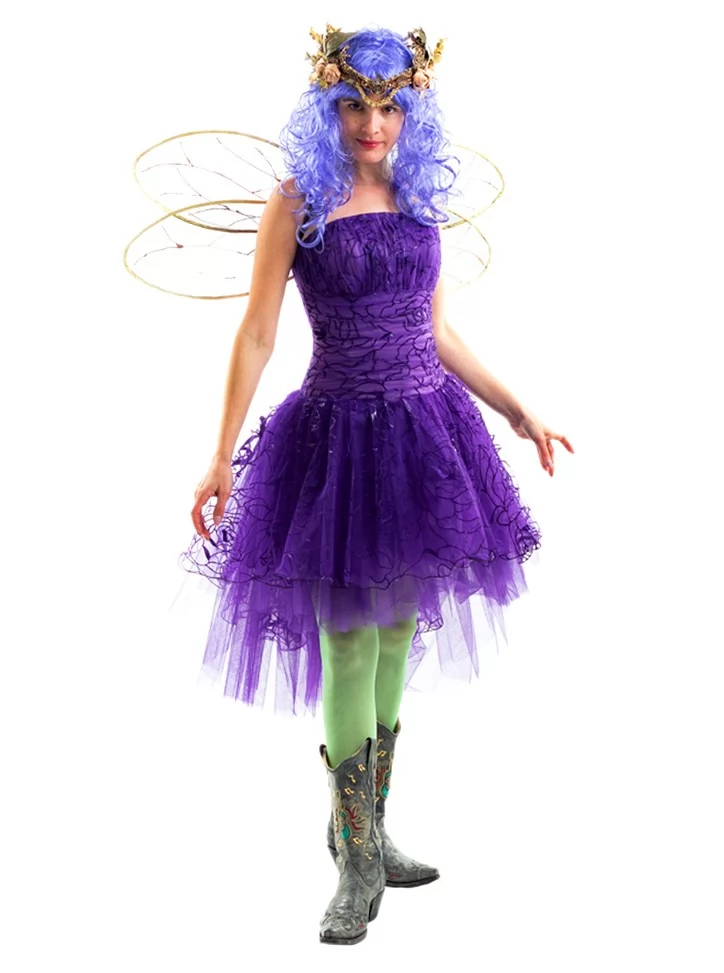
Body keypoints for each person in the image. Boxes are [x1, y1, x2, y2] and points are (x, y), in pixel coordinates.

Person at [180, 24, 574, 945]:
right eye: (355, 104)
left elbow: (437, 330)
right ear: (326, 105)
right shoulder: (299, 199)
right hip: (338, 441)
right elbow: (257, 332)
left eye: (391, 106)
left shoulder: (418, 195)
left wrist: (516, 409)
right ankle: (356, 859)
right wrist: (219, 453)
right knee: (348, 640)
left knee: (397, 630)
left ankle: (368, 825)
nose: (372, 123)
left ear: (412, 111)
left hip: (425, 435)